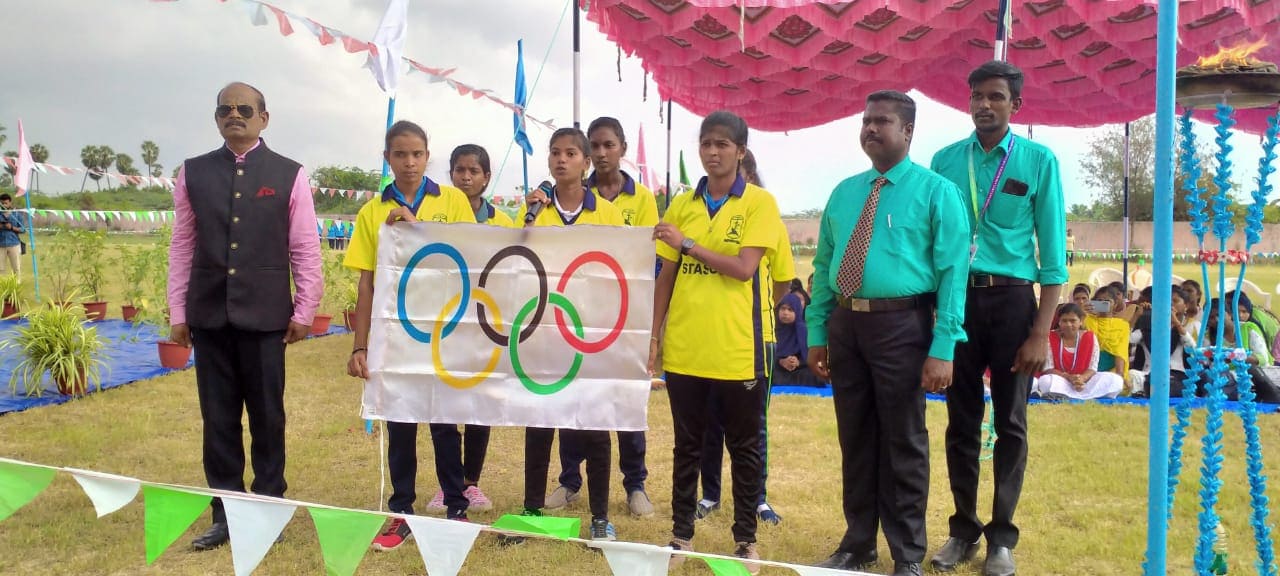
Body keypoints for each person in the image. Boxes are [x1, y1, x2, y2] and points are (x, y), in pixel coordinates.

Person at [808, 90, 969, 576]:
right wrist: (818, 332)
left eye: (881, 121)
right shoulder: (844, 191)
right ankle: (858, 544)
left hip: (904, 325)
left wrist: (943, 348)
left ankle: (907, 554)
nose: (870, 129)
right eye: (865, 121)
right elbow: (822, 266)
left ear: (908, 131)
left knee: (903, 441)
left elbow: (953, 275)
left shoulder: (937, 192)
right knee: (855, 438)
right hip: (846, 324)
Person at [167, 82, 323, 550]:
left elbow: (304, 246)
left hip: (266, 315)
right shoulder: (193, 172)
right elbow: (183, 245)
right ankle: (227, 513)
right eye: (225, 109)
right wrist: (179, 309)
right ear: (217, 118)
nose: (235, 115)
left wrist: (306, 307)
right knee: (217, 419)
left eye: (244, 109)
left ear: (263, 118)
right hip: (210, 314)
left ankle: (269, 506)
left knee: (268, 416)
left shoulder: (289, 173)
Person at [928, 61, 1067, 576]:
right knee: (959, 421)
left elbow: (1053, 258)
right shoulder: (944, 161)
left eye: (996, 97)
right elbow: (930, 241)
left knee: (1011, 422)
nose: (984, 105)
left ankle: (1001, 539)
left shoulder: (1038, 161)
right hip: (956, 301)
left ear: (1016, 106)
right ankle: (962, 531)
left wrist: (1040, 332)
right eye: (976, 96)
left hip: (1012, 304)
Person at [650, 110, 785, 573]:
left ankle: (745, 540)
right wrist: (656, 334)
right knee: (686, 445)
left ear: (740, 151)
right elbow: (666, 273)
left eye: (723, 144)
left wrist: (688, 244)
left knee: (744, 449)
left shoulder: (759, 204)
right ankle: (681, 534)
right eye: (706, 143)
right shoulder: (684, 203)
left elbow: (745, 269)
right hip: (687, 348)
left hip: (738, 350)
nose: (712, 151)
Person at [344, 121, 477, 551]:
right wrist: (359, 345)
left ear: (427, 156)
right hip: (395, 335)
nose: (409, 162)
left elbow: (470, 259)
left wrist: (416, 227)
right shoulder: (370, 213)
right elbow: (366, 284)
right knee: (400, 423)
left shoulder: (453, 200)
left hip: (443, 330)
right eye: (400, 155)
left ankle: (456, 506)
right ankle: (401, 509)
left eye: (417, 154)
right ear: (388, 159)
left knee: (443, 421)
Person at [516, 127, 626, 543]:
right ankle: (531, 509)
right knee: (539, 422)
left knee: (595, 424)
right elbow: (515, 262)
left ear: (585, 162)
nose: (561, 160)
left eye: (570, 154)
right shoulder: (535, 211)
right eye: (555, 153)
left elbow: (622, 273)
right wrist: (527, 216)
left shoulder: (607, 213)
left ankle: (600, 514)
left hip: (590, 335)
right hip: (542, 333)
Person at [545, 117, 657, 518]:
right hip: (566, 320)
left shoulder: (639, 199)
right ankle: (569, 479)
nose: (602, 152)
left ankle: (635, 484)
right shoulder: (565, 197)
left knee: (621, 400)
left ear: (622, 148)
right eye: (594, 145)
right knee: (570, 400)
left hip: (616, 319)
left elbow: (642, 262)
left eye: (609, 144)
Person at [696, 148, 795, 527]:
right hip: (708, 336)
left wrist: (753, 314)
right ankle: (710, 494)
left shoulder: (767, 217)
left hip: (756, 339)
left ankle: (757, 498)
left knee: (752, 426)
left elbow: (783, 279)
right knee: (709, 422)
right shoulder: (704, 217)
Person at [416, 144, 513, 515]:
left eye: (474, 170)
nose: (467, 177)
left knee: (477, 408)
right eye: (459, 170)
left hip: (484, 328)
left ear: (487, 177)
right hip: (443, 325)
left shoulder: (503, 223)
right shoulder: (436, 217)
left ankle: (470, 482)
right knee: (442, 407)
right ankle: (447, 486)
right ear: (451, 174)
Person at [1032, 304, 1123, 400]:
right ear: (1059, 322)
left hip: (1084, 382)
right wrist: (1069, 377)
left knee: (1115, 380)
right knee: (1046, 381)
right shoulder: (1050, 337)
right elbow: (1048, 368)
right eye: (1064, 321)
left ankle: (1067, 395)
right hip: (1061, 380)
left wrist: (1081, 379)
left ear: (1081, 321)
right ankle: (1089, 396)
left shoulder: (1090, 337)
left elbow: (1092, 368)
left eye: (1072, 321)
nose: (1068, 324)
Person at [1129, 285, 1195, 399]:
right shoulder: (1147, 329)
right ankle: (1146, 390)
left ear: (1185, 306)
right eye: (1166, 300)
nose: (1170, 304)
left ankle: (1146, 391)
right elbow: (1125, 339)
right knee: (1132, 375)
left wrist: (1175, 322)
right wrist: (1137, 316)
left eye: (1175, 301)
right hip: (1147, 374)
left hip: (1174, 375)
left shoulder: (1184, 331)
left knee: (1169, 384)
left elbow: (1192, 347)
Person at [771, 293, 821, 386]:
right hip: (778, 369)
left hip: (799, 369)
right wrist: (781, 362)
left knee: (814, 376)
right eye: (783, 308)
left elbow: (810, 357)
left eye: (790, 310)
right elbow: (767, 355)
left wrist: (798, 362)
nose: (785, 313)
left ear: (797, 311)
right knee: (770, 376)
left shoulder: (803, 330)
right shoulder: (772, 329)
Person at [0, 194, 25, 276]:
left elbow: (23, 229)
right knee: (1, 269)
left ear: (10, 203)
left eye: (6, 203)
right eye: (2, 203)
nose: (4, 205)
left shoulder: (17, 214)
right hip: (1, 245)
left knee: (16, 268)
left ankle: (16, 286)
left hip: (14, 244)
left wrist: (11, 227)